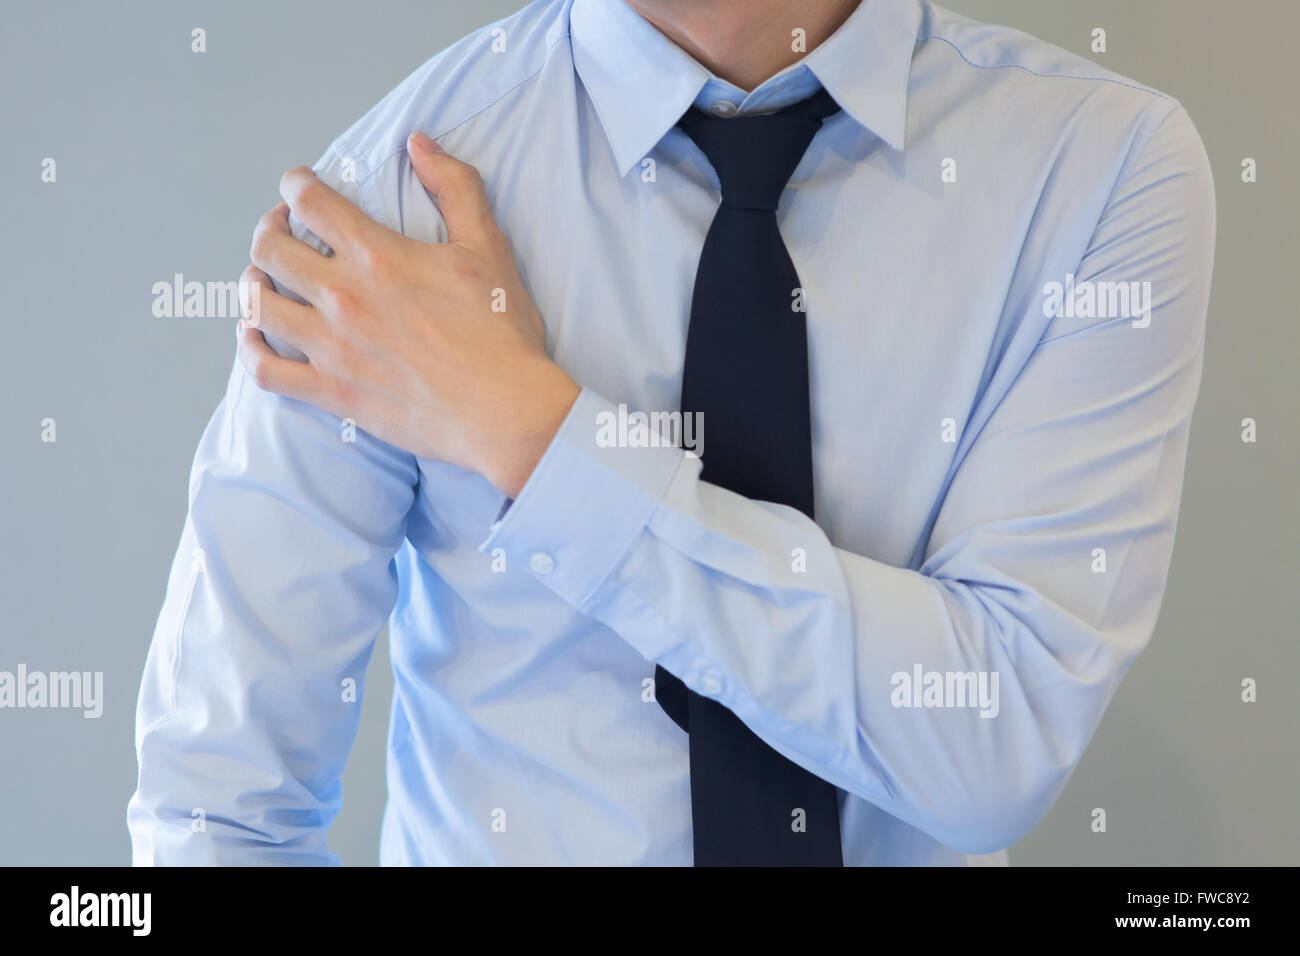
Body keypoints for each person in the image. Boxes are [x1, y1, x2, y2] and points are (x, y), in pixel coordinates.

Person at [128, 0, 1215, 865]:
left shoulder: (1099, 170)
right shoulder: (384, 215)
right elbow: (218, 807)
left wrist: (532, 434)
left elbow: (993, 737)